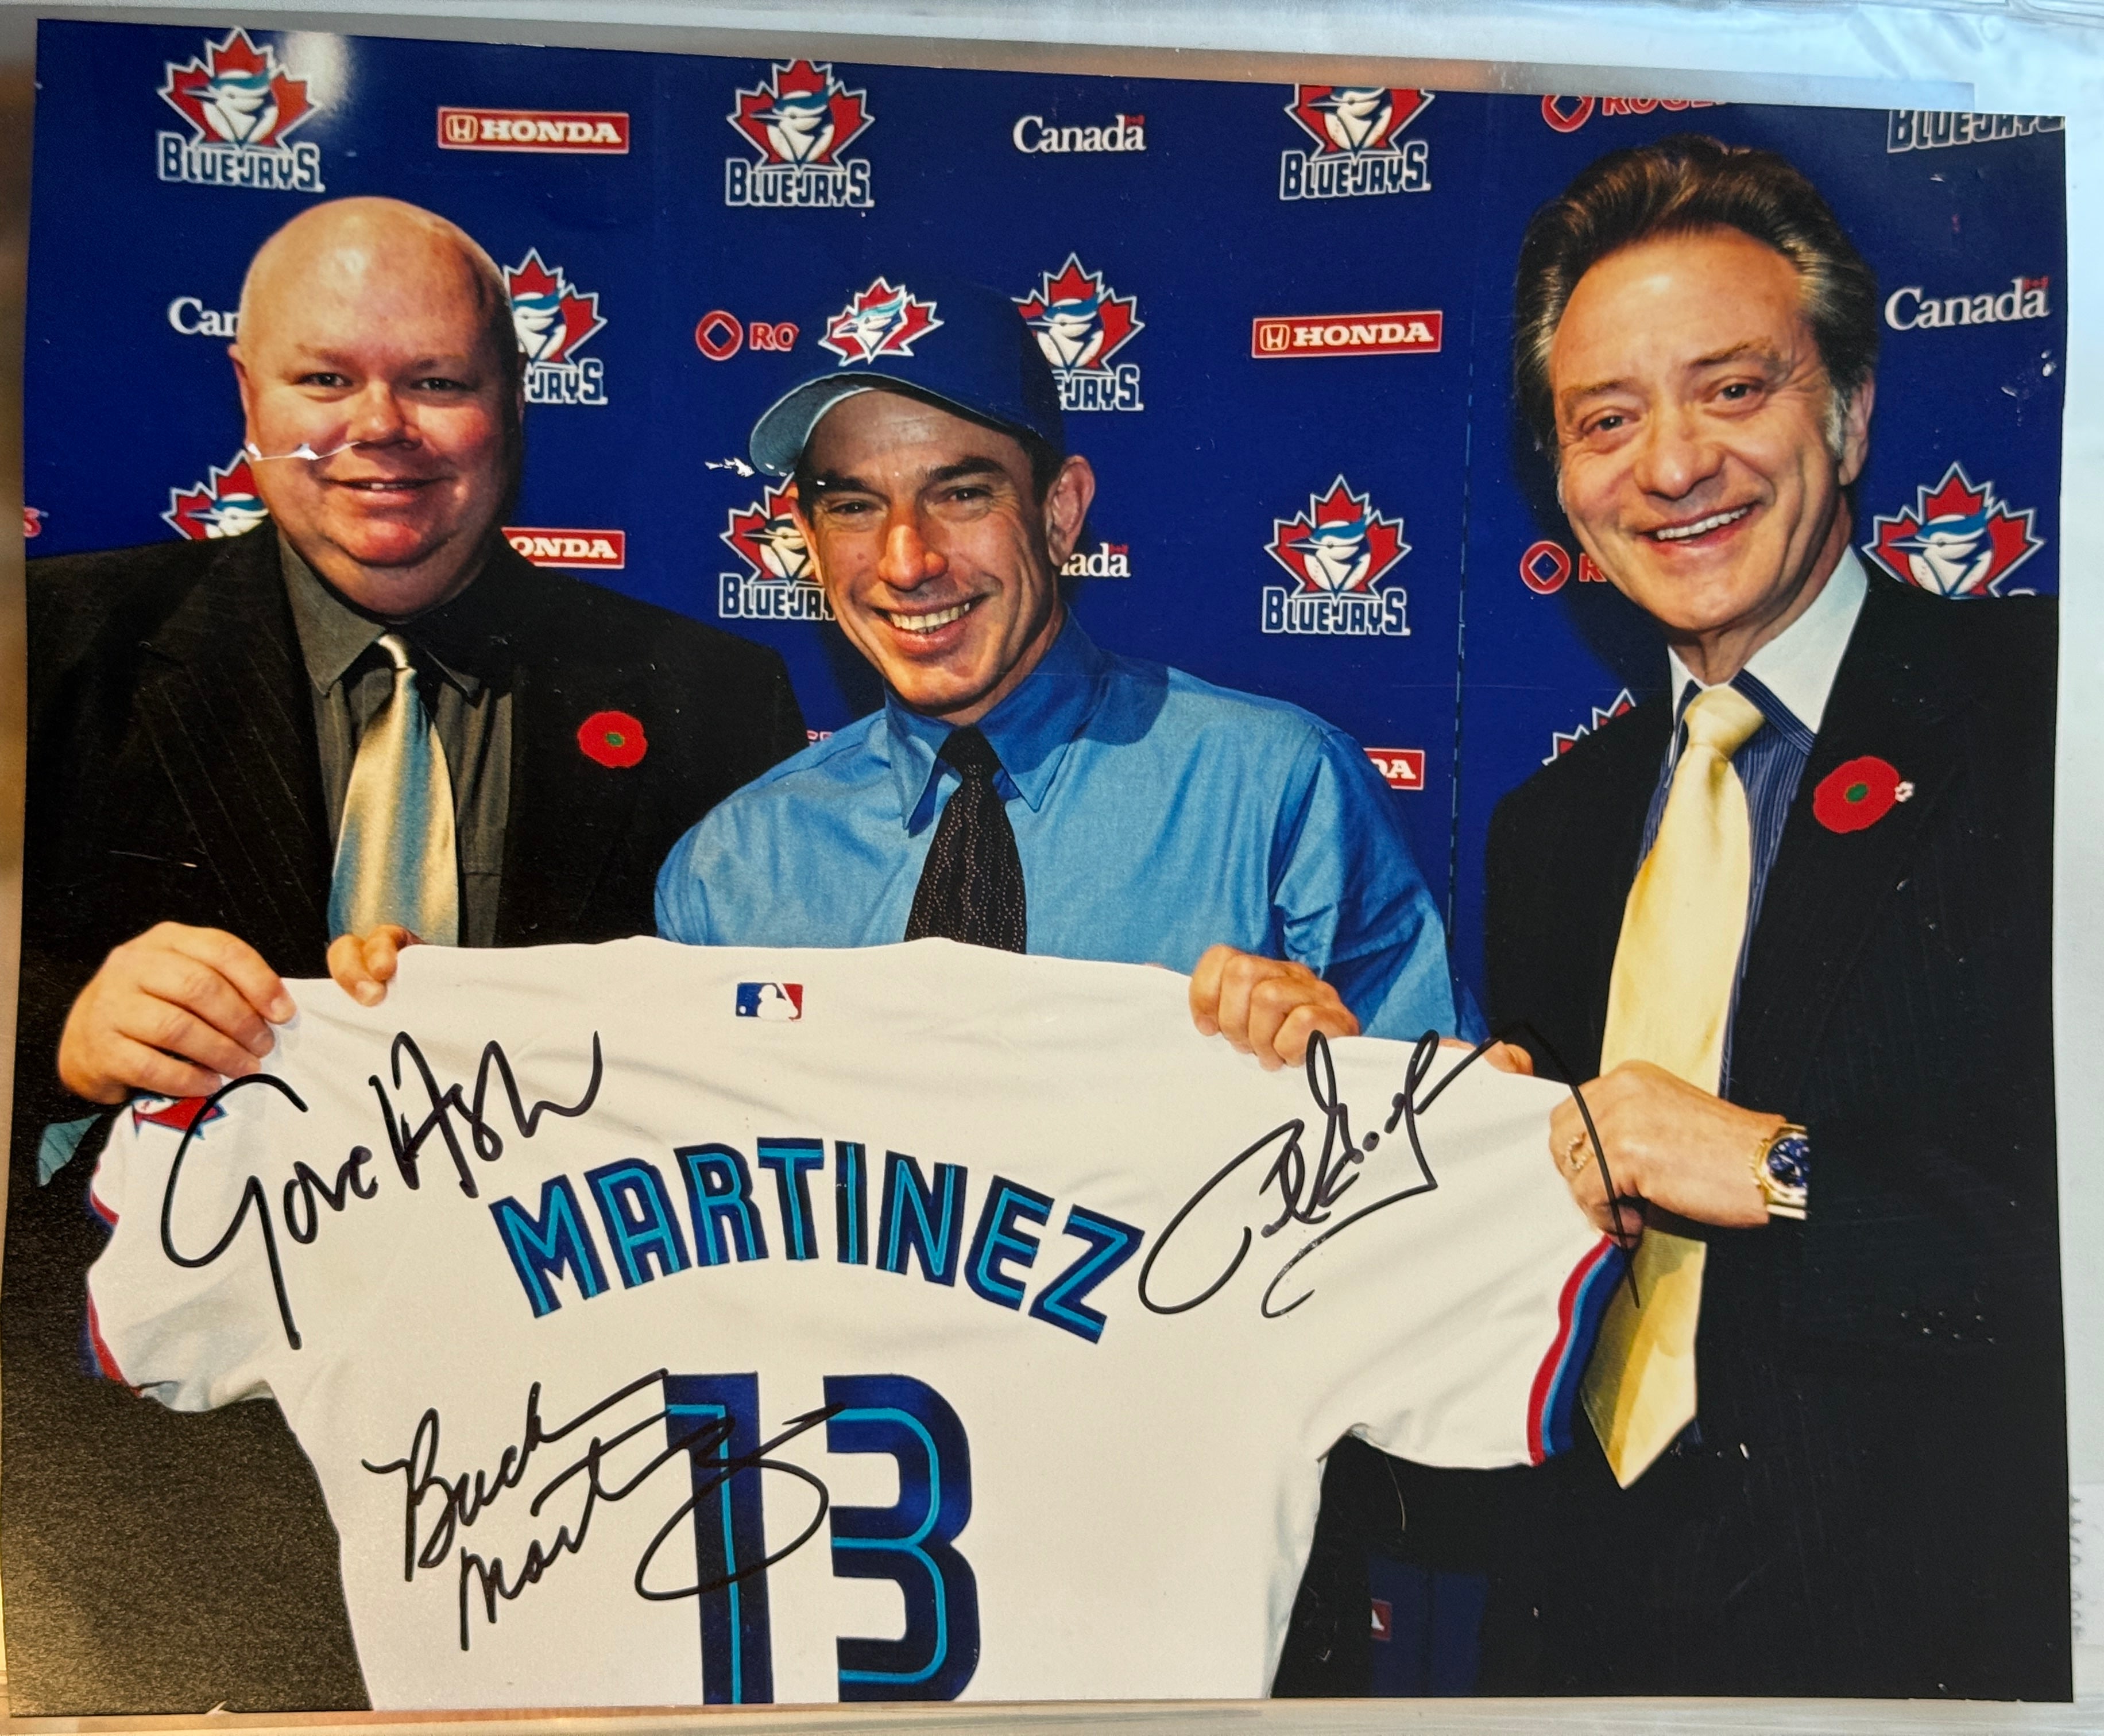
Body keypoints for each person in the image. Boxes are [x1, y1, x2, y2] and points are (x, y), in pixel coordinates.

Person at [6, 197, 806, 1712]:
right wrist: (52, 1030)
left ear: (514, 402)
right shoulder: (46, 653)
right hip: (141, 1506)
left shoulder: (710, 697)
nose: (381, 428)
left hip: (571, 1482)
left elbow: (779, 1080)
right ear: (246, 396)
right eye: (326, 379)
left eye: (438, 381)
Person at [1479, 135, 2065, 1697]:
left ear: (1850, 413)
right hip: (1585, 1633)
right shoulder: (1548, 832)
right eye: (1606, 419)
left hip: (1933, 1650)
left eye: (1733, 388)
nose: (1672, 466)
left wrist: (1774, 1167)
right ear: (1562, 481)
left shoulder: (2049, 723)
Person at [635, 272, 1467, 1060]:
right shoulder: (730, 872)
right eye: (854, 506)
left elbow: (1443, 1128)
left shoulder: (1279, 793)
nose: (907, 561)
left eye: (962, 495)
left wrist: (1344, 1067)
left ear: (1060, 513)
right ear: (809, 542)